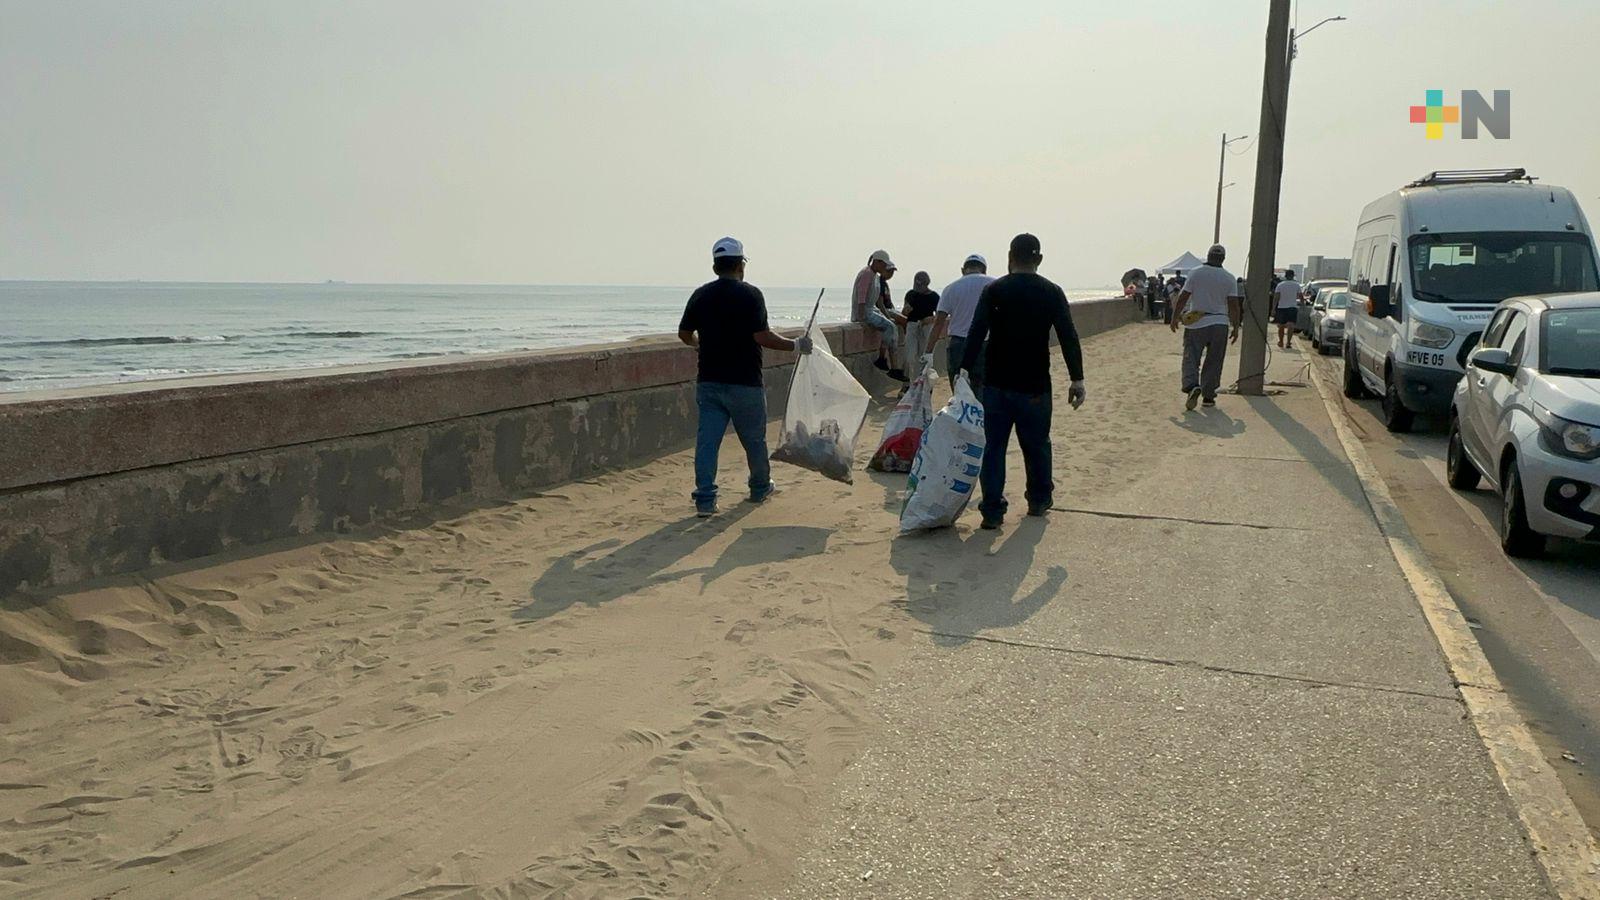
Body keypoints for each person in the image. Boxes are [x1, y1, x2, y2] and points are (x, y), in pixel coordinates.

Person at [960, 234, 1087, 531]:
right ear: (1039, 259)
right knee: (1037, 445)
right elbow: (1068, 335)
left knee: (993, 448)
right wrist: (1077, 378)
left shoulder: (994, 290)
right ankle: (1039, 500)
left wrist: (963, 370)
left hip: (996, 384)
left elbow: (976, 332)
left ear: (1009, 257)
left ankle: (992, 511)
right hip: (1035, 385)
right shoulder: (1051, 292)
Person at [678, 237, 812, 517]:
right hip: (745, 382)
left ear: (715, 267)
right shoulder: (751, 295)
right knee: (754, 440)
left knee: (707, 442)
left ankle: (705, 500)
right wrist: (795, 345)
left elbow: (684, 334)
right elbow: (763, 337)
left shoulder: (700, 295)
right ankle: (760, 487)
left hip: (709, 381)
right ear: (740, 265)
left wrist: (699, 345)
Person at [1169, 244, 1242, 410]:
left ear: (1208, 256)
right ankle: (1208, 396)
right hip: (1220, 323)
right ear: (1223, 259)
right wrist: (1236, 327)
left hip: (1197, 322)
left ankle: (1192, 386)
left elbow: (1183, 297)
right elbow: (1234, 305)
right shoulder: (1229, 278)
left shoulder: (1196, 273)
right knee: (1214, 361)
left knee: (1191, 356)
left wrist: (1174, 317)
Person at [927, 253, 995, 389]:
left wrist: (928, 352)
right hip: (986, 344)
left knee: (960, 392)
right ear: (984, 269)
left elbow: (938, 323)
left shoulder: (951, 288)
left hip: (958, 345)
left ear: (963, 270)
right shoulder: (994, 285)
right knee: (984, 390)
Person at [851, 250, 908, 382]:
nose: (884, 267)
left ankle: (888, 363)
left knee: (891, 327)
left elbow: (875, 299)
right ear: (877, 262)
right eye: (883, 264)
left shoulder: (874, 275)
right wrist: (861, 316)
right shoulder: (866, 274)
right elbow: (862, 296)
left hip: (871, 309)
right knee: (890, 327)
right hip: (865, 311)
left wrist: (884, 315)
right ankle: (887, 363)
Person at [901, 271, 940, 376]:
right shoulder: (911, 294)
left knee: (924, 355)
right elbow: (904, 312)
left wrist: (930, 319)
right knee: (910, 356)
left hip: (926, 326)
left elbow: (939, 316)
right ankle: (908, 380)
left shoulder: (934, 297)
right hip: (912, 325)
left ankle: (923, 379)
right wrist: (906, 310)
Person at [1273, 267, 1302, 350]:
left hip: (1281, 307)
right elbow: (1300, 296)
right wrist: (1302, 304)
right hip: (1292, 307)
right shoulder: (1296, 285)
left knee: (1281, 326)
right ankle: (1288, 342)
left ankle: (1281, 341)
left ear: (1285, 276)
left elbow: (1276, 297)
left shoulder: (1280, 285)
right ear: (1293, 276)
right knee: (1291, 325)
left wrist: (1273, 308)